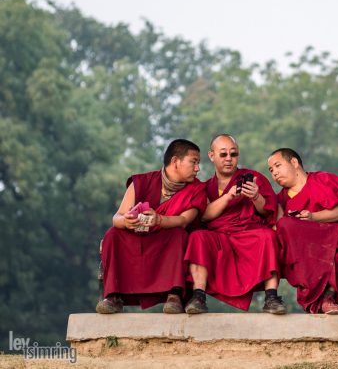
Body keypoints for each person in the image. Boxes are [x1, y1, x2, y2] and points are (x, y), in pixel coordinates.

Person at [96, 139, 206, 314]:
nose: (197, 168)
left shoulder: (197, 189)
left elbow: (185, 220)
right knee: (112, 234)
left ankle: (174, 294)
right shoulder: (142, 181)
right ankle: (113, 296)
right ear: (175, 161)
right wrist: (126, 221)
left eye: (198, 163)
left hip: (166, 239)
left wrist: (159, 220)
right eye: (194, 162)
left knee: (179, 234)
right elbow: (117, 217)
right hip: (139, 235)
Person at [183, 134, 287, 315]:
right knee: (197, 237)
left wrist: (256, 196)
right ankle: (198, 296)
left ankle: (271, 297)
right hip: (220, 237)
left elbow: (268, 211)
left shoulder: (254, 178)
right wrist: (228, 196)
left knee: (268, 236)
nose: (229, 159)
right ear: (211, 155)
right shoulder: (205, 187)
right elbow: (204, 216)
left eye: (234, 154)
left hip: (248, 233)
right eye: (223, 155)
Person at [267, 148, 338, 315]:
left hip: (333, 247)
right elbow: (280, 230)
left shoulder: (321, 180)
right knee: (286, 224)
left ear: (294, 162)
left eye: (278, 166)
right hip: (305, 254)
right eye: (271, 170)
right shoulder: (280, 199)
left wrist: (313, 218)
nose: (274, 173)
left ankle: (328, 298)